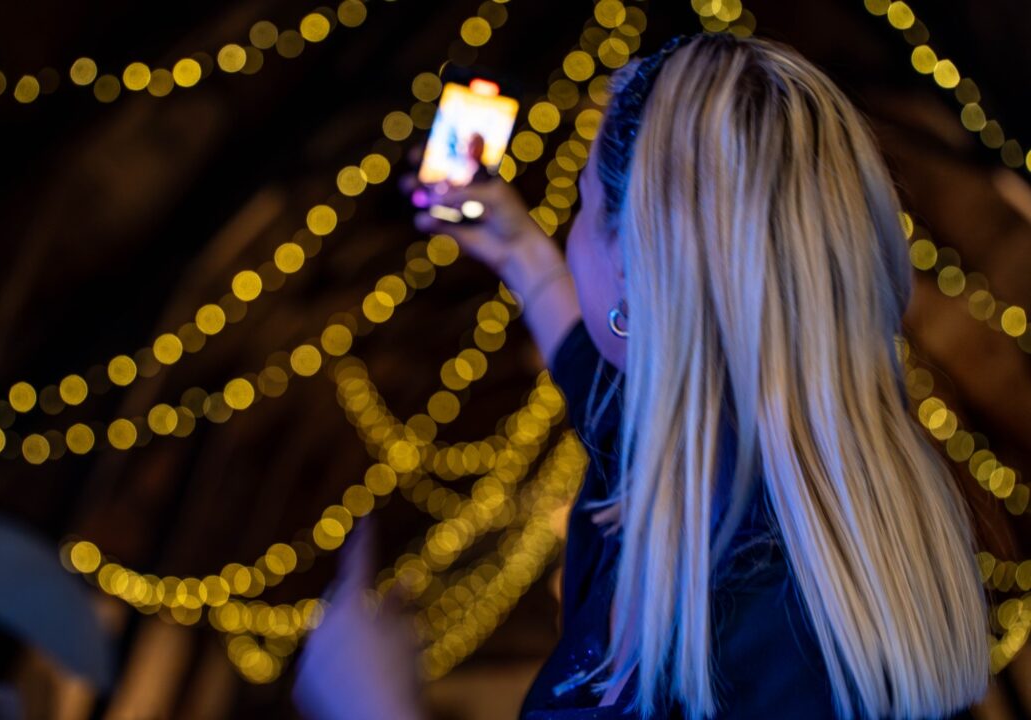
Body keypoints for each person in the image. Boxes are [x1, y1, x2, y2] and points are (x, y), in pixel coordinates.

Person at [293, 32, 991, 719]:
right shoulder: (745, 478)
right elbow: (601, 383)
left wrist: (373, 701)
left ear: (635, 266)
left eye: (585, 201)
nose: (569, 227)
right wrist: (520, 254)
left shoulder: (759, 640)